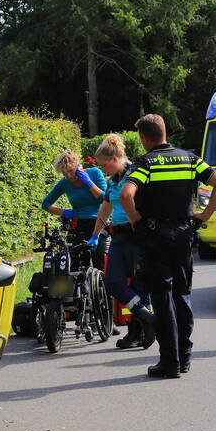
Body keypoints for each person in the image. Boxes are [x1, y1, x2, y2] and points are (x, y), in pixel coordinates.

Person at [120, 114, 216, 378]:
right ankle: (185, 358)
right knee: (182, 295)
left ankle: (169, 362)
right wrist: (205, 214)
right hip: (183, 234)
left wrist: (135, 220)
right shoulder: (190, 159)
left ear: (144, 138)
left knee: (162, 298)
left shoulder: (146, 163)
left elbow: (126, 195)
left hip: (155, 236)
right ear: (164, 132)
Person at [90, 134, 155, 350]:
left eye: (104, 164)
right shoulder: (111, 181)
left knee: (138, 284)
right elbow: (105, 208)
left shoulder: (135, 173)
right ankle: (147, 318)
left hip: (136, 234)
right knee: (113, 282)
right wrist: (95, 234)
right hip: (118, 235)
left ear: (116, 157)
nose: (103, 169)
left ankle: (136, 332)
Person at [40, 150, 106, 243]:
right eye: (65, 173)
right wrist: (64, 212)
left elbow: (105, 199)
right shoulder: (64, 182)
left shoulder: (95, 173)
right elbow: (46, 204)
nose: (69, 176)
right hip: (78, 225)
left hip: (99, 223)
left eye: (71, 171)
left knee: (100, 256)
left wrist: (89, 183)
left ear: (78, 166)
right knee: (74, 256)